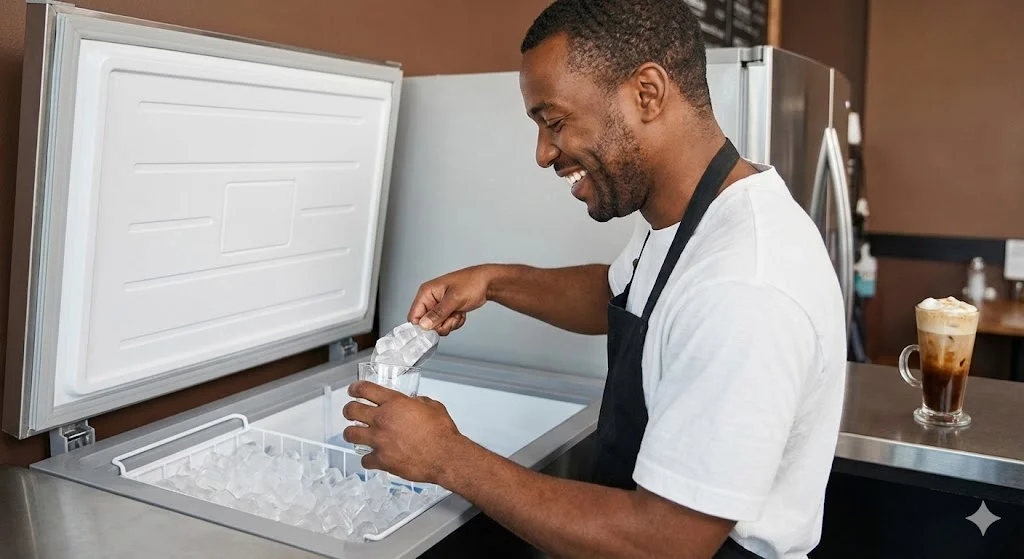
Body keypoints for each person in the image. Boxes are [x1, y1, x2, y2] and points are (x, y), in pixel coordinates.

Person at [342, 1, 847, 557]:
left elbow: (665, 545)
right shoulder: (686, 222)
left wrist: (447, 458)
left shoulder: (744, 285)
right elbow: (620, 294)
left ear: (647, 93)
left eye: (555, 122)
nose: (542, 154)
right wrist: (494, 282)